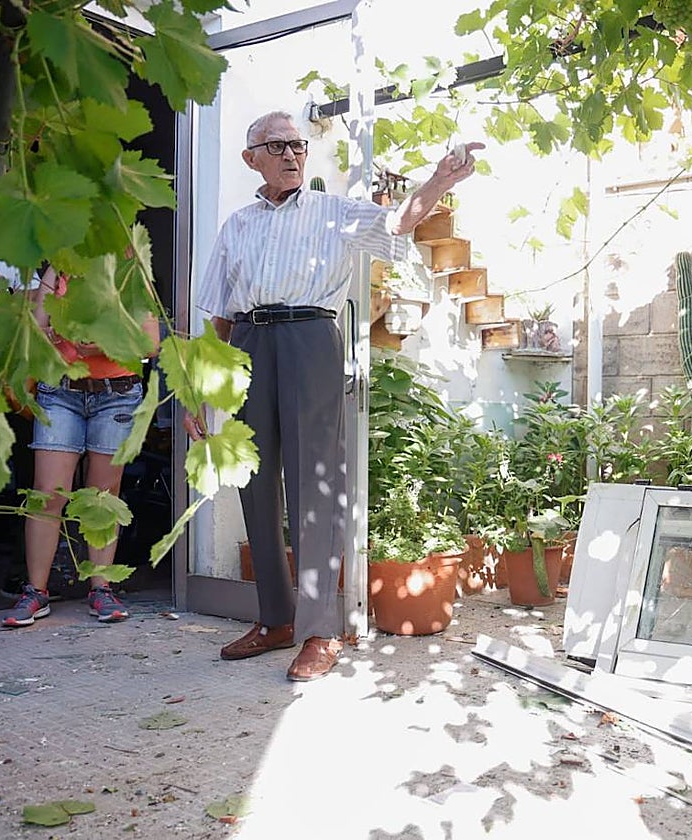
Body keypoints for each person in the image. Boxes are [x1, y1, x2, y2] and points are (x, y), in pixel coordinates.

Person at [184, 111, 481, 681]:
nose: (293, 154)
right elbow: (219, 314)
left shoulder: (332, 211)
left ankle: (320, 631)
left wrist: (441, 179)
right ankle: (275, 618)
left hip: (309, 338)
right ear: (252, 158)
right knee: (254, 479)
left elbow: (397, 222)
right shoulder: (237, 225)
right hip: (247, 341)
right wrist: (204, 386)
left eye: (298, 144)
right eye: (277, 146)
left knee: (315, 483)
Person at [2, 266, 161, 627]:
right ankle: (36, 592)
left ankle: (101, 588)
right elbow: (35, 330)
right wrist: (59, 333)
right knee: (47, 493)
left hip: (117, 394)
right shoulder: (59, 267)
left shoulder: (130, 268)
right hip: (60, 391)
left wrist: (106, 342)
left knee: (103, 494)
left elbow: (151, 342)